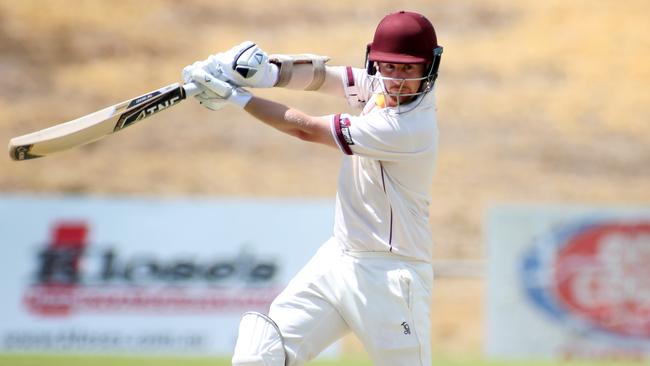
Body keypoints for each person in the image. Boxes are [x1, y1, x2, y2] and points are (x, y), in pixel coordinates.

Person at [183, 10, 443, 366]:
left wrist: (237, 97)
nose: (397, 80)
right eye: (389, 67)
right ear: (376, 63)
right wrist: (265, 72)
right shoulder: (380, 86)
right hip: (338, 260)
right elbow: (322, 78)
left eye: (408, 69)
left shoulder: (410, 127)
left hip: (391, 276)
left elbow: (305, 128)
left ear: (429, 68)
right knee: (261, 354)